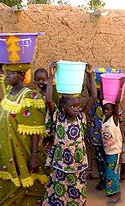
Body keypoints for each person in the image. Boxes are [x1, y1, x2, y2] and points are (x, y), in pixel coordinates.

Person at [0, 61, 48, 206]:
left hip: (23, 152)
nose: (7, 76)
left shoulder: (30, 97)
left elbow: (36, 131)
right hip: (6, 152)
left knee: (26, 188)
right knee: (8, 185)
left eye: (12, 73)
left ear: (22, 75)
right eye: (8, 73)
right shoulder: (9, 90)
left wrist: (35, 156)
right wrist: (7, 52)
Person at [42, 62, 97, 206]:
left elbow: (93, 97)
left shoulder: (81, 117)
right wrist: (52, 77)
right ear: (62, 106)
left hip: (77, 164)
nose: (76, 108)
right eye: (72, 106)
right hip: (60, 163)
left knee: (77, 192)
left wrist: (90, 74)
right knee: (59, 192)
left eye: (78, 105)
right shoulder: (58, 117)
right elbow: (49, 99)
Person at [101, 78, 125, 205]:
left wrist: (120, 87)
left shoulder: (114, 119)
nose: (106, 111)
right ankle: (111, 190)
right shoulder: (105, 117)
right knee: (110, 170)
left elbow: (116, 104)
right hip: (108, 151)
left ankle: (116, 193)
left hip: (114, 151)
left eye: (108, 109)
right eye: (105, 109)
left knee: (113, 171)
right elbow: (101, 101)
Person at [87, 88, 106, 191]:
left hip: (106, 140)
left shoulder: (107, 105)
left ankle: (106, 181)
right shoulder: (94, 105)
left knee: (104, 161)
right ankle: (103, 180)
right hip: (98, 140)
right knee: (101, 160)